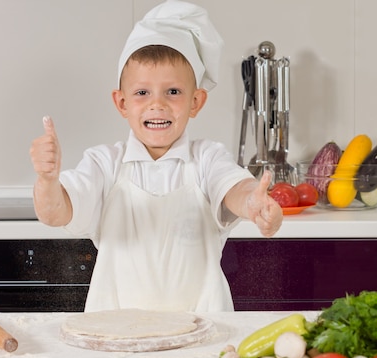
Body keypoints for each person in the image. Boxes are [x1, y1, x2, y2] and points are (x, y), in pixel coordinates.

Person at [29, 0, 283, 313]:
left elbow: (234, 190)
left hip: (201, 334)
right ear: (121, 103)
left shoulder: (207, 158)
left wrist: (252, 204)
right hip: (118, 338)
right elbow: (55, 213)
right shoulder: (104, 165)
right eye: (142, 92)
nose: (157, 104)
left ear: (196, 101)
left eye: (173, 92)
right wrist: (46, 180)